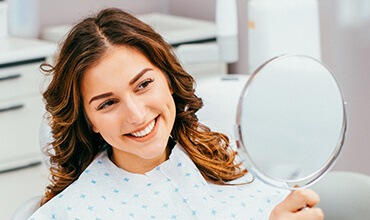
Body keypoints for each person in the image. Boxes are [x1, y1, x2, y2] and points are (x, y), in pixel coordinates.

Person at [29, 8, 323, 220]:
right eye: (107, 103)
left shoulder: (237, 166)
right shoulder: (70, 212)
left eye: (143, 84)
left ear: (168, 79)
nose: (135, 114)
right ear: (88, 120)